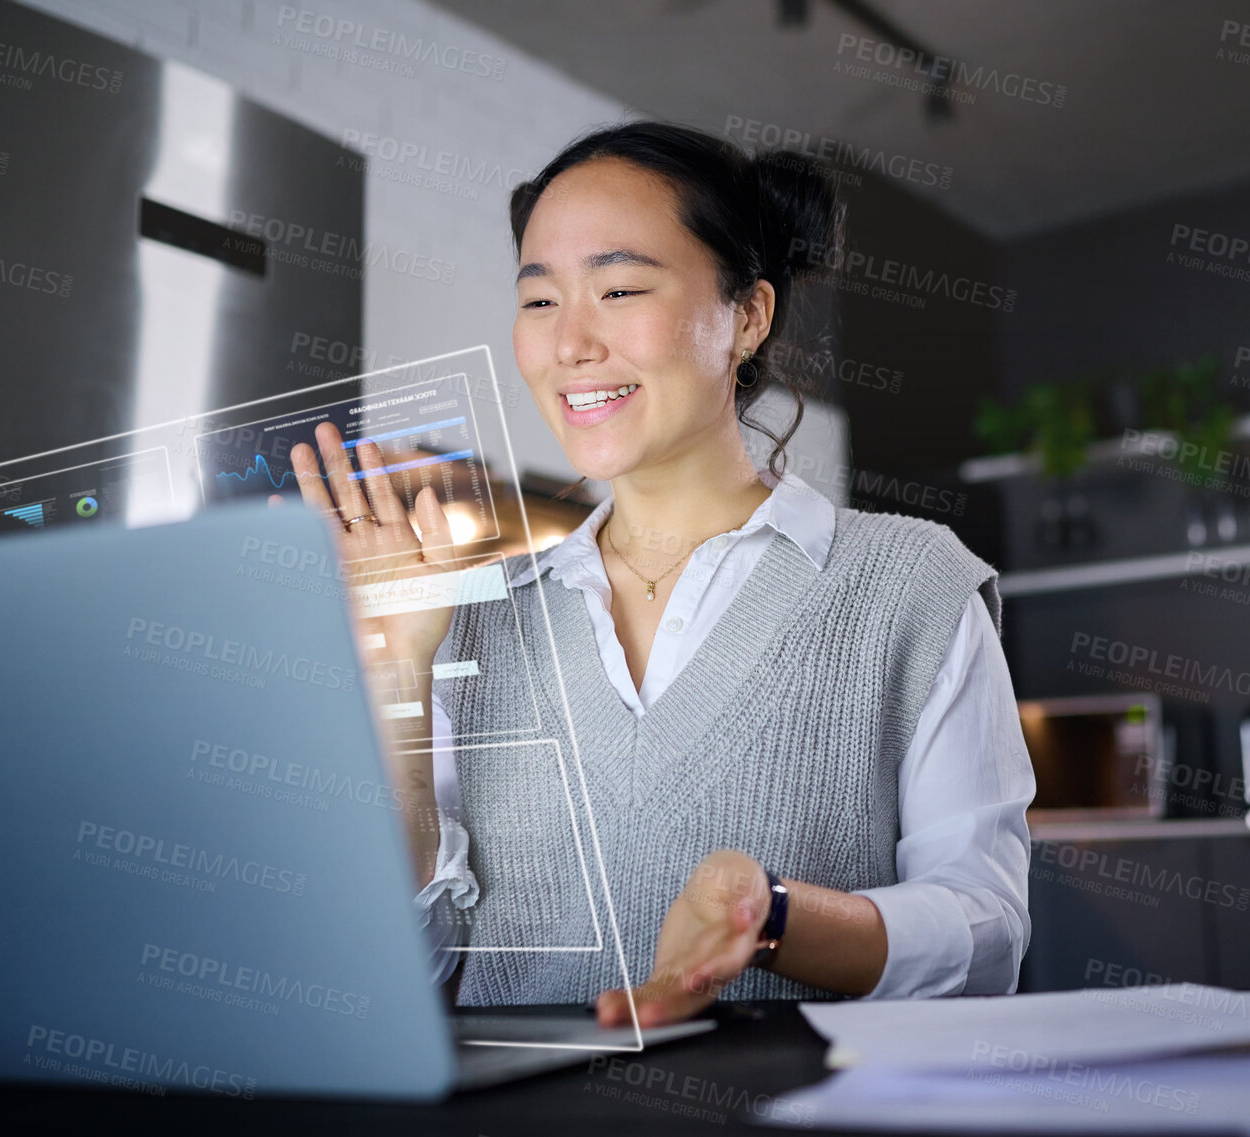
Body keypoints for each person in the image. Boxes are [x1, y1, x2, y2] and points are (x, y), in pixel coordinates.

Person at [289, 122, 1034, 1028]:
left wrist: (773, 917)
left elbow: (986, 934)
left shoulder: (908, 585)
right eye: (537, 302)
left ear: (747, 317)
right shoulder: (473, 622)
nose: (568, 344)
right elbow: (414, 966)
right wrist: (398, 669)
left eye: (618, 289)